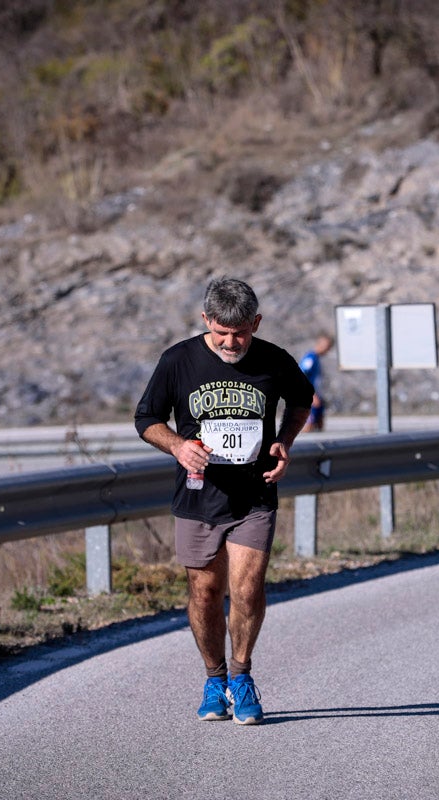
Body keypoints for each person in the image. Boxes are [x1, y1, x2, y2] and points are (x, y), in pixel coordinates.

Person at [134, 276, 314, 725]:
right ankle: (214, 678)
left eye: (241, 332)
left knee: (248, 588)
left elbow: (301, 398)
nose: (232, 342)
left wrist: (285, 441)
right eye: (221, 332)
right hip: (198, 496)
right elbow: (146, 418)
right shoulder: (178, 360)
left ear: (255, 322)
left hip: (256, 493)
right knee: (205, 590)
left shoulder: (274, 359)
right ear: (206, 321)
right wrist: (177, 446)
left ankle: (241, 675)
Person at [297, 333, 333, 433]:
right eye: (327, 347)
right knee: (309, 427)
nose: (328, 351)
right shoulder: (310, 358)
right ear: (321, 345)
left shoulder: (316, 358)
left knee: (319, 425)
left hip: (317, 395)